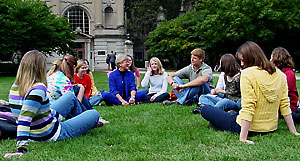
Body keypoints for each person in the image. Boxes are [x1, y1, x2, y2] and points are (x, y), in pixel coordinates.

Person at [4, 50, 100, 158]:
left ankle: (77, 119)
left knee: (69, 97)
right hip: (49, 133)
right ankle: (84, 121)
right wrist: (21, 149)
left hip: (37, 127)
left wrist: (58, 116)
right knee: (93, 114)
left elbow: (41, 110)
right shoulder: (38, 89)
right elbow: (24, 118)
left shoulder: (15, 87)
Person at [200, 41, 299, 144]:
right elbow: (285, 105)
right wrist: (294, 131)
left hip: (246, 127)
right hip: (271, 127)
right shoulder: (281, 75)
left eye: (243, 60)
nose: (242, 64)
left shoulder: (247, 74)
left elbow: (249, 105)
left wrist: (243, 137)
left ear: (251, 58)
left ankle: (219, 121)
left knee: (206, 109)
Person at [271, 47, 300, 123]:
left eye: (272, 57)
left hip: (289, 106)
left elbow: (283, 91)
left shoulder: (288, 73)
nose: (270, 60)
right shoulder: (278, 73)